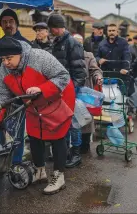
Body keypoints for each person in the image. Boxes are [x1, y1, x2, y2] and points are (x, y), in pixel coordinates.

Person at [0, 37, 75, 195]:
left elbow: (63, 76)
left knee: (57, 136)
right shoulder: (5, 68)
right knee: (34, 135)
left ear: (19, 54)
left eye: (9, 58)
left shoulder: (39, 57)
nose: (5, 63)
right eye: (2, 59)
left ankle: (59, 176)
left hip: (57, 98)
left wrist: (42, 89)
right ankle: (40, 172)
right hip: (32, 103)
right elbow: (0, 95)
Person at [0, 8, 31, 165]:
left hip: (17, 96)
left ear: (16, 23)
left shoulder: (24, 45)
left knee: (15, 131)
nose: (8, 25)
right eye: (4, 22)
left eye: (11, 21)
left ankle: (15, 163)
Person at [47, 13, 86, 168]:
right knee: (65, 121)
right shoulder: (57, 42)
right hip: (60, 89)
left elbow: (79, 69)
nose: (50, 31)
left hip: (70, 89)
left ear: (57, 27)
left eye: (52, 28)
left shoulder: (71, 43)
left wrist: (73, 89)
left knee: (74, 122)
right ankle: (68, 151)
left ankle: (76, 154)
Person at [73, 34, 103, 154]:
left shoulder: (88, 55)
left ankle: (85, 146)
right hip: (71, 91)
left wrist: (98, 77)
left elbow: (95, 69)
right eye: (75, 42)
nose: (78, 44)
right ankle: (74, 146)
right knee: (73, 120)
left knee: (85, 118)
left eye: (80, 42)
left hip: (85, 92)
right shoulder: (67, 55)